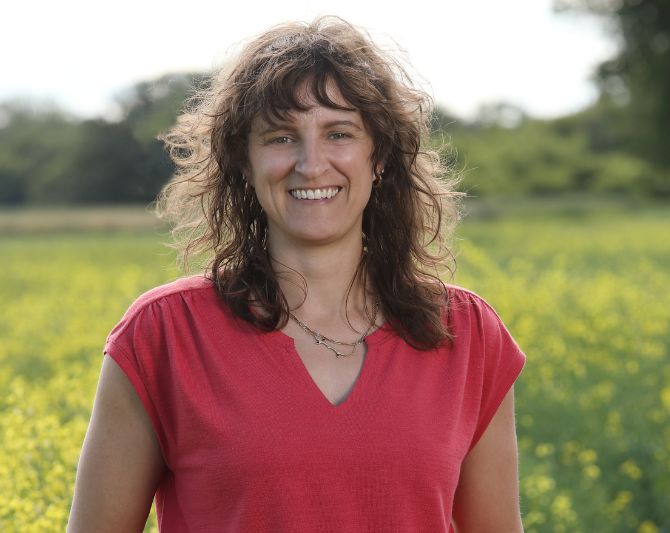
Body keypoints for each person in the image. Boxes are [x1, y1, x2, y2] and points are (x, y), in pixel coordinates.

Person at [68, 16, 526, 533]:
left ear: (379, 155)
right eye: (281, 137)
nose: (311, 164)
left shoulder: (468, 334)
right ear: (244, 161)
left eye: (339, 133)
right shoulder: (164, 334)